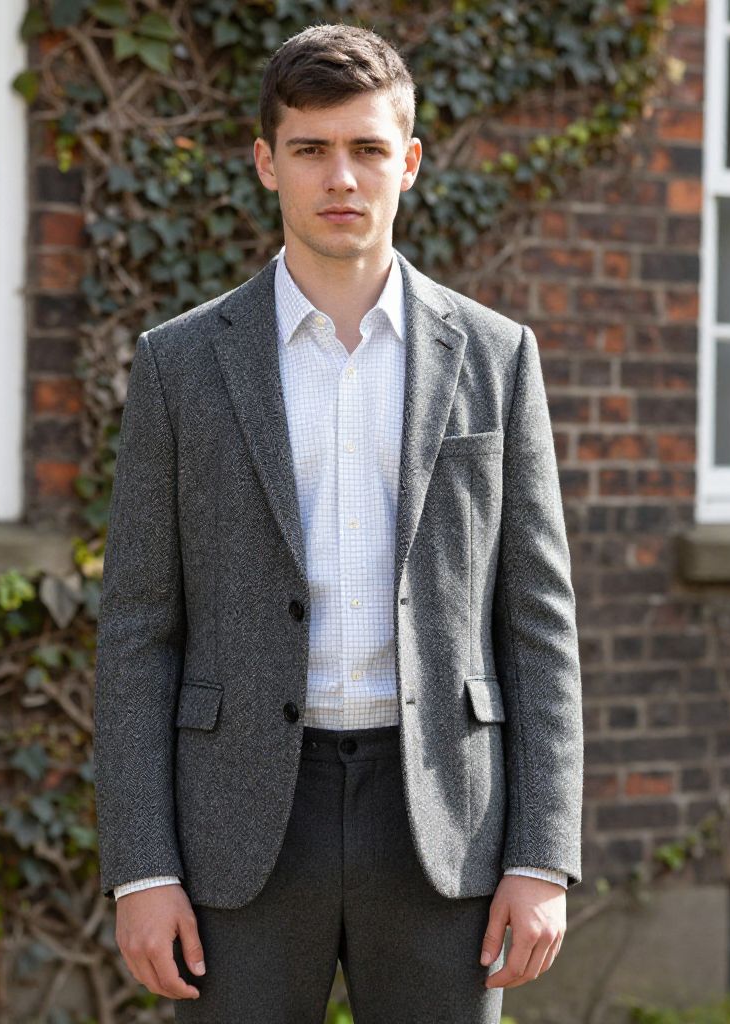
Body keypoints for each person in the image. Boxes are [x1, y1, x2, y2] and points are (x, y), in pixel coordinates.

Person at [93, 21, 583, 1023]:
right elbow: (138, 628)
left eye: (367, 148)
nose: (341, 177)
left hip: (444, 819)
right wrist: (142, 867)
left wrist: (542, 854)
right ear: (265, 161)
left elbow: (537, 621)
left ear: (409, 162)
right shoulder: (179, 364)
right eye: (311, 148)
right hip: (238, 825)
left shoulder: (495, 356)